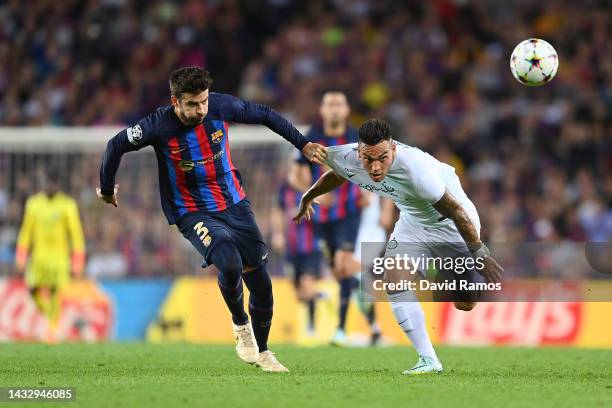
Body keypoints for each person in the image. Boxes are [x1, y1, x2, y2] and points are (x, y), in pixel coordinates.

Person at [96, 66, 326, 372]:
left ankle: (265, 351)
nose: (201, 109)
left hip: (235, 203)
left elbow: (266, 114)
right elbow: (116, 145)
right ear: (175, 101)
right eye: (192, 104)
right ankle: (240, 324)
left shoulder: (220, 106)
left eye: (203, 101)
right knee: (229, 261)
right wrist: (108, 189)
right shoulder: (157, 125)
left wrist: (303, 143)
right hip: (191, 211)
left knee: (262, 284)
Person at [294, 118, 503, 374]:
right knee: (394, 280)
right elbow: (339, 174)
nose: (375, 166)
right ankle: (428, 360)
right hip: (413, 225)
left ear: (393, 149)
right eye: (368, 159)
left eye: (382, 157)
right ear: (358, 153)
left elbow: (457, 213)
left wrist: (479, 252)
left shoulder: (418, 172)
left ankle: (456, 274)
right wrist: (309, 196)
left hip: (450, 226)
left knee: (466, 303)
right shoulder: (348, 157)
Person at [288, 90, 365, 345]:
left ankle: (341, 329)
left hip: (349, 213)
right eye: (329, 104)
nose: (334, 108)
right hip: (321, 218)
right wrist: (311, 194)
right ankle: (360, 285)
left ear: (346, 110)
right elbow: (294, 175)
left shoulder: (356, 137)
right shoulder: (312, 136)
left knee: (343, 263)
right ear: (322, 110)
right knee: (339, 272)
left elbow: (375, 167)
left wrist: (371, 193)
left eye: (339, 104)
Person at [16, 169, 85, 339]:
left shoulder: (67, 205)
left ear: (57, 185)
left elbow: (76, 235)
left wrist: (77, 261)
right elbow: (26, 232)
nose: (48, 186)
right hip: (39, 258)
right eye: (46, 182)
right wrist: (21, 255)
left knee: (55, 294)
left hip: (59, 259)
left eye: (51, 183)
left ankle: (51, 332)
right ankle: (50, 318)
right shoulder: (33, 204)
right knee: (32, 289)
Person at [271, 182, 323, 340]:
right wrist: (277, 233)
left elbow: (325, 211)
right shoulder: (285, 187)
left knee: (307, 284)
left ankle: (311, 327)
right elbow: (278, 210)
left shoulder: (319, 184)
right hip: (292, 248)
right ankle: (319, 295)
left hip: (313, 246)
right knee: (300, 295)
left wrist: (302, 209)